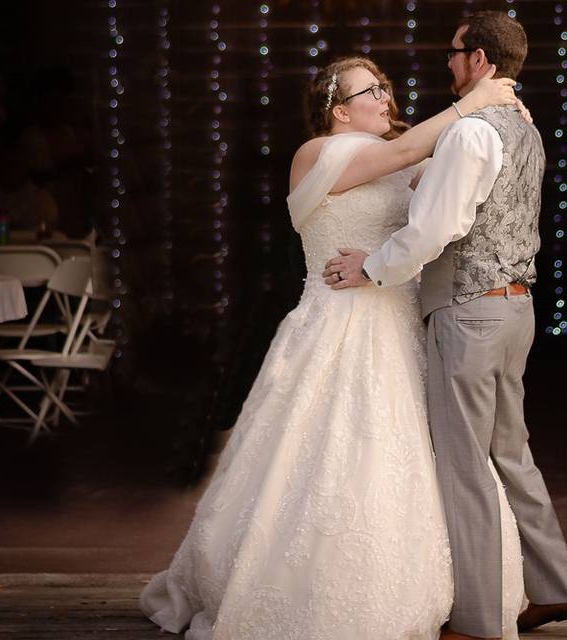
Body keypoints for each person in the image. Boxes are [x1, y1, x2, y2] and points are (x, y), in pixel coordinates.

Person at [140, 57, 523, 640]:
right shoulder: (316, 153)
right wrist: (474, 100)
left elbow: (435, 178)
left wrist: (498, 111)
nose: (387, 96)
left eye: (386, 86)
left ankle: (461, 589)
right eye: (372, 89)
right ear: (339, 109)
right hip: (337, 325)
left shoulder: (396, 155)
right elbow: (401, 154)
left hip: (399, 324)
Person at [323, 12, 567, 639]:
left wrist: (373, 267)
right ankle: (553, 586)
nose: (448, 62)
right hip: (515, 306)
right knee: (511, 454)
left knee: (465, 464)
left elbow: (439, 228)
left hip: (469, 310)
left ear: (482, 62)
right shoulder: (525, 128)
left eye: (455, 52)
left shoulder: (470, 134)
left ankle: (478, 620)